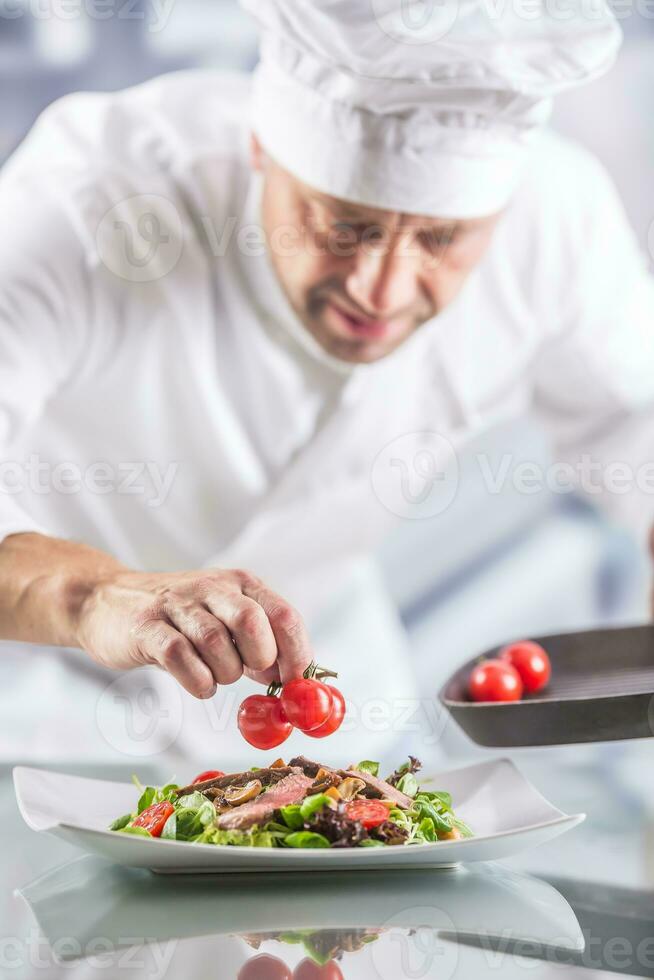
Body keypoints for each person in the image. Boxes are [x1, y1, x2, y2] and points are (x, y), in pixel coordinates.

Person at [1, 0, 652, 764]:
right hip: (37, 707)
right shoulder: (95, 195)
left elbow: (635, 420)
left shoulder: (556, 221)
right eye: (345, 227)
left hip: (331, 719)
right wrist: (95, 598)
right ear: (260, 149)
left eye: (441, 239)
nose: (381, 291)